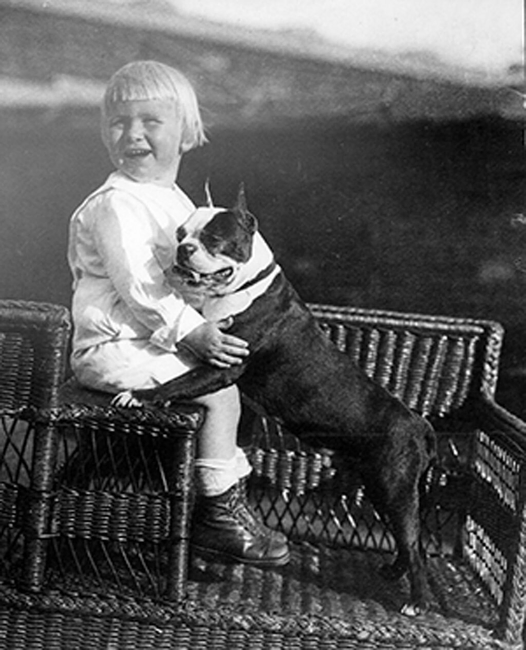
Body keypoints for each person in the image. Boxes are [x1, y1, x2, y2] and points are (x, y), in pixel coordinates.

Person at [67, 60, 289, 567]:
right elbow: (142, 289)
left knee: (239, 381)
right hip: (113, 350)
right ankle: (216, 516)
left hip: (147, 343)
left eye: (151, 121)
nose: (133, 134)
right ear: (105, 135)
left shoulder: (171, 200)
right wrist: (194, 334)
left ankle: (210, 506)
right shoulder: (117, 203)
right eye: (120, 123)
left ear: (187, 134)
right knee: (221, 390)